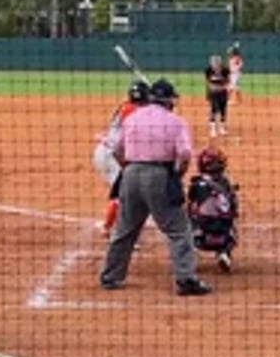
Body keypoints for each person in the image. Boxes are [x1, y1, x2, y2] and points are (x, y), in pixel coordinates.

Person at [98, 79, 212, 297]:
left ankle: (110, 277)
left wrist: (129, 168)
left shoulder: (132, 117)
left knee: (124, 229)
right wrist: (176, 174)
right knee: (178, 230)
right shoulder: (176, 122)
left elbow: (117, 150)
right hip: (160, 174)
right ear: (169, 100)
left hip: (130, 174)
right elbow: (185, 154)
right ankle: (186, 279)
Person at [93, 80, 151, 234]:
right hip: (112, 156)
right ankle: (114, 228)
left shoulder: (127, 106)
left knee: (124, 190)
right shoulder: (133, 110)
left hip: (108, 153)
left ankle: (111, 225)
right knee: (125, 192)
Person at [187, 146, 240, 273]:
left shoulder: (196, 183)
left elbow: (190, 204)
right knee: (231, 222)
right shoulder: (227, 184)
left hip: (200, 235)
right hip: (225, 235)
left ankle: (190, 258)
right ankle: (223, 253)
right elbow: (234, 209)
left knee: (186, 223)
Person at [204, 53, 232, 137]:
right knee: (214, 109)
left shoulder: (225, 70)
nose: (215, 64)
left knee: (223, 110)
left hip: (223, 92)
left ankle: (222, 128)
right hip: (214, 93)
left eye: (217, 62)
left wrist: (225, 88)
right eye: (214, 62)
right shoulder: (208, 70)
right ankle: (213, 129)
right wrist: (208, 92)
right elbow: (207, 81)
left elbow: (228, 80)